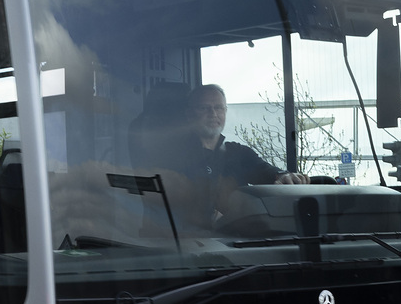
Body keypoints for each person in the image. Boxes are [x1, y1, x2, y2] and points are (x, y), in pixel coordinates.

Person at [129, 82, 304, 231]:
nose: (212, 114)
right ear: (189, 114)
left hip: (234, 249)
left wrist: (283, 175)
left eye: (218, 108)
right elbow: (164, 208)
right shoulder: (167, 156)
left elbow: (266, 171)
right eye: (204, 108)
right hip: (184, 249)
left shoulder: (238, 153)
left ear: (225, 112)